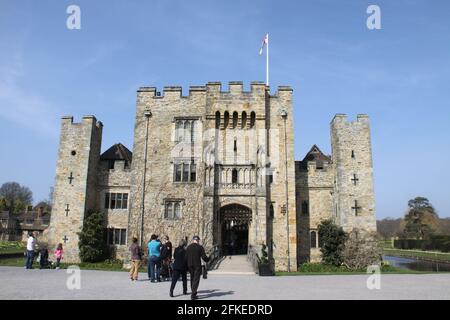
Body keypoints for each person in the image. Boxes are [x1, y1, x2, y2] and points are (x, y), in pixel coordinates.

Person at [186, 235, 210, 300]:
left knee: (192, 278)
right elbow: (204, 257)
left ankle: (194, 292)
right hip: (197, 265)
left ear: (193, 240)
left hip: (190, 265)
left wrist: (186, 265)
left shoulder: (188, 247)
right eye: (198, 240)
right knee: (196, 280)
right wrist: (208, 259)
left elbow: (186, 257)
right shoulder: (200, 247)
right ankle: (193, 294)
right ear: (198, 240)